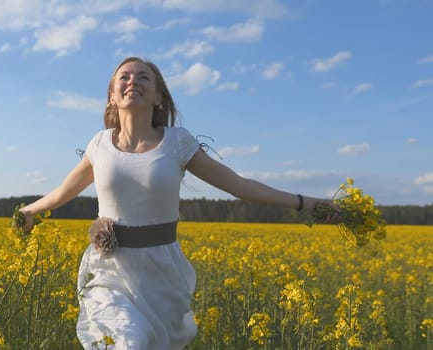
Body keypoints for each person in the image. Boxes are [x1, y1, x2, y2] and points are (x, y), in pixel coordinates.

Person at [19, 57, 338, 349]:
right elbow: (64, 190)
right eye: (124, 77)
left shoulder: (177, 142)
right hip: (109, 270)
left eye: (143, 77)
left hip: (161, 270)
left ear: (158, 97)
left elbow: (239, 186)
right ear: (112, 97)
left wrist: (305, 203)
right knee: (127, 341)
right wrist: (30, 210)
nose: (133, 81)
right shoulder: (99, 144)